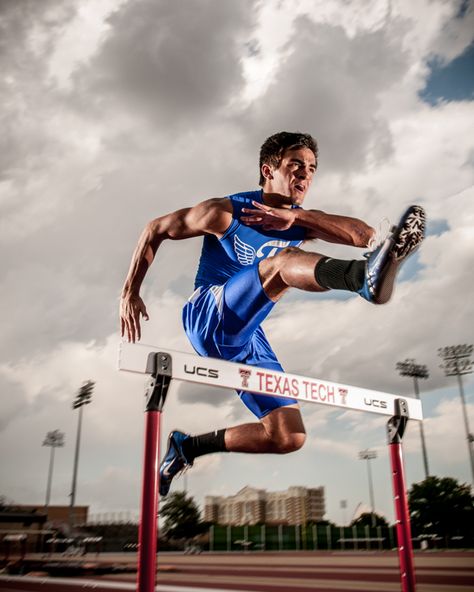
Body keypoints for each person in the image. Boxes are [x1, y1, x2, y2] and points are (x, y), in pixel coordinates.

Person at [120, 131, 425, 496]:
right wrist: (129, 292)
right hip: (209, 315)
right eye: (296, 166)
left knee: (287, 435)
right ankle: (360, 279)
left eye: (311, 169)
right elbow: (155, 228)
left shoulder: (301, 221)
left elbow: (367, 236)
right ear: (268, 169)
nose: (305, 176)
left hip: (249, 335)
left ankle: (187, 448)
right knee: (282, 264)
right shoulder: (224, 212)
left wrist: (298, 217)